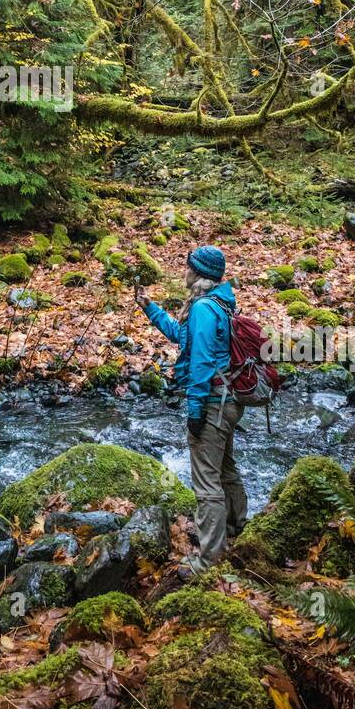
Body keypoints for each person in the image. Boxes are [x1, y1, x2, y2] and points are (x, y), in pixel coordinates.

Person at [134, 244, 248, 578]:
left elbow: (200, 363)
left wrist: (195, 411)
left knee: (206, 482)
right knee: (226, 469)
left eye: (187, 266)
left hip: (212, 402)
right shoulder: (218, 304)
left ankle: (209, 559)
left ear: (197, 271)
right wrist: (149, 308)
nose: (182, 270)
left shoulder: (202, 309)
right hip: (229, 401)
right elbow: (180, 337)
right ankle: (236, 528)